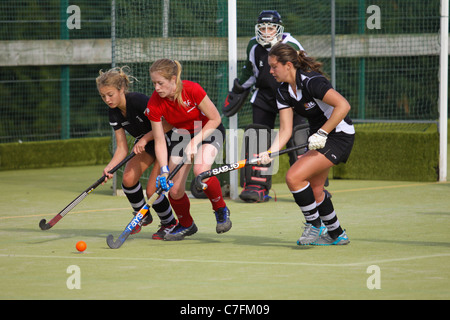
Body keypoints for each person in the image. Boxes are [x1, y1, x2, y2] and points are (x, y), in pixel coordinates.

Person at [259, 43, 355, 245]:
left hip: (338, 135)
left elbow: (343, 105)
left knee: (294, 177)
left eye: (274, 66)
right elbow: (285, 129)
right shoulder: (283, 92)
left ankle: (314, 225)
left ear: (288, 65)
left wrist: (322, 132)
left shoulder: (312, 82)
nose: (270, 71)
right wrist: (270, 151)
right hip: (319, 137)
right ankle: (337, 234)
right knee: (316, 188)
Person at [224, 10, 307, 203]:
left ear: (278, 28)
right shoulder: (254, 45)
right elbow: (249, 70)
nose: (266, 31)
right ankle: (256, 185)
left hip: (291, 95)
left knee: (298, 136)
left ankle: (307, 182)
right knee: (258, 135)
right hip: (264, 95)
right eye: (263, 27)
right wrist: (237, 89)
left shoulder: (293, 46)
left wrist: (304, 96)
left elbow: (304, 72)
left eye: (270, 27)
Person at [145, 59, 231, 241]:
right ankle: (186, 225)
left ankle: (220, 209)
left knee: (201, 172)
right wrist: (163, 170)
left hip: (209, 130)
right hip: (181, 135)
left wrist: (195, 141)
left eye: (160, 83)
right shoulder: (154, 103)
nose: (157, 88)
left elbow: (215, 119)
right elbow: (160, 140)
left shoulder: (192, 89)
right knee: (175, 190)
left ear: (173, 79)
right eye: (154, 83)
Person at [96, 66, 177, 240]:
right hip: (147, 144)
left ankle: (169, 223)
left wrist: (145, 139)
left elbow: (168, 123)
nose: (107, 100)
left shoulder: (139, 101)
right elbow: (122, 148)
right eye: (103, 96)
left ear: (121, 90)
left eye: (110, 94)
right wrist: (109, 168)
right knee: (128, 180)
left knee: (152, 190)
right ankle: (142, 215)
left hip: (167, 140)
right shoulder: (113, 112)